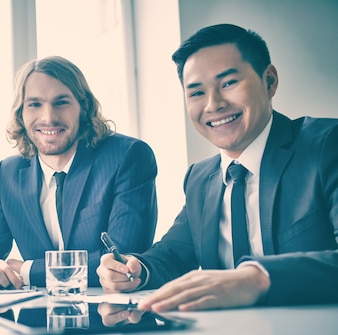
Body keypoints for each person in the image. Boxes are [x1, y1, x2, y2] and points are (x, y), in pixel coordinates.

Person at [97, 23, 338, 313]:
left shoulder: (326, 146)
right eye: (196, 93)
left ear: (270, 81)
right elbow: (174, 253)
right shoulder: (200, 177)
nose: (214, 104)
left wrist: (258, 279)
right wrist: (137, 271)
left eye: (228, 84)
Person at [0, 56, 157, 289]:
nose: (48, 118)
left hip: (113, 317)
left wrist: (26, 270)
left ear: (83, 107)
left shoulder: (128, 156)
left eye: (61, 102)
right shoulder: (8, 173)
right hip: (35, 321)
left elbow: (122, 262)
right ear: (20, 113)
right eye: (34, 104)